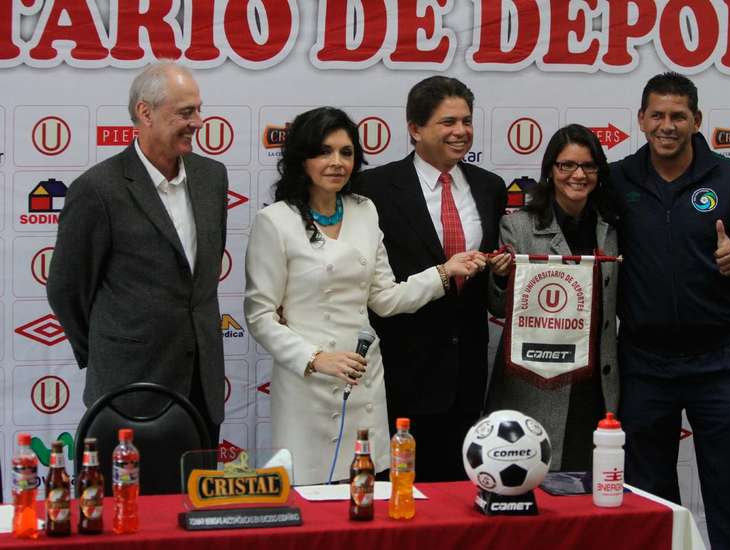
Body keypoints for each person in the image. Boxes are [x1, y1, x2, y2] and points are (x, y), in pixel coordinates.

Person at [244, 107, 486, 486]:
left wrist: (444, 272)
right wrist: (316, 358)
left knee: (364, 493)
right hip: (306, 383)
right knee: (310, 496)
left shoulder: (364, 209)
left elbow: (385, 298)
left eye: (346, 152)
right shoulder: (276, 220)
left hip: (363, 380)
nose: (337, 162)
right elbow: (260, 316)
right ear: (301, 158)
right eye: (324, 151)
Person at [612, 72, 730, 549]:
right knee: (648, 498)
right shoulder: (618, 179)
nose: (668, 125)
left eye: (678, 116)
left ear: (697, 120)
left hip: (717, 361)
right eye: (657, 115)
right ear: (641, 119)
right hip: (643, 362)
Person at [47, 62, 228, 446]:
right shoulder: (97, 189)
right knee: (127, 488)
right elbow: (66, 290)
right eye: (186, 112)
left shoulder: (213, 177)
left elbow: (202, 278)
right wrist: (107, 352)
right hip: (127, 389)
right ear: (145, 112)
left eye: (198, 110)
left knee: (197, 486)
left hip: (202, 387)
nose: (198, 122)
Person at [354, 76, 507, 481]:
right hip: (401, 370)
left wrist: (501, 274)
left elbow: (488, 282)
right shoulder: (374, 189)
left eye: (467, 121)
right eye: (448, 122)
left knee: (456, 498)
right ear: (416, 129)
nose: (461, 131)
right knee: (399, 494)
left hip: (467, 373)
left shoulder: (490, 187)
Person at [486, 124, 619, 472]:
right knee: (532, 482)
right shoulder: (518, 227)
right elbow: (497, 306)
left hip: (595, 382)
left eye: (588, 166)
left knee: (588, 484)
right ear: (550, 170)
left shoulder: (610, 229)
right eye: (567, 165)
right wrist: (500, 276)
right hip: (535, 383)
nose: (578, 175)